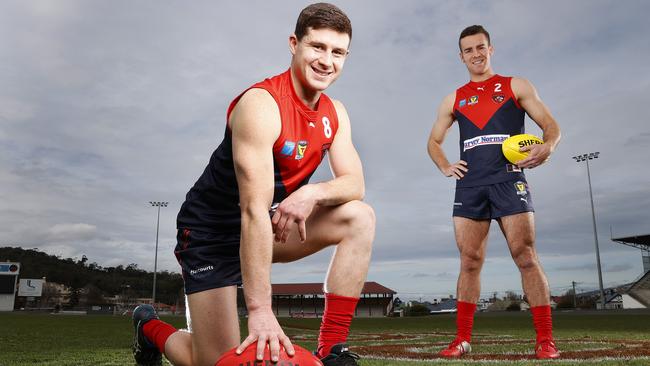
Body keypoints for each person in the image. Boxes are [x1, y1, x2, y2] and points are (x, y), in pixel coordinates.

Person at [131, 3, 374, 366]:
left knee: (360, 217)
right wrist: (260, 310)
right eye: (317, 47)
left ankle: (331, 349)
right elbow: (252, 209)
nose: (327, 61)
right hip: (212, 234)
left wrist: (311, 192)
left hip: (264, 228)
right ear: (295, 44)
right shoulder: (261, 105)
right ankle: (147, 328)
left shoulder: (335, 113)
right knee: (213, 362)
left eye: (337, 52)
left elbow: (354, 183)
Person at [426, 25, 561, 359]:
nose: (476, 54)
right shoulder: (453, 98)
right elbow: (434, 141)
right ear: (461, 56)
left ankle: (545, 340)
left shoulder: (516, 85)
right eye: (469, 50)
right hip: (470, 184)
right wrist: (445, 165)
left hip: (508, 180)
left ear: (491, 49)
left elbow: (551, 125)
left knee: (525, 256)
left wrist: (549, 146)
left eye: (481, 47)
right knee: (469, 261)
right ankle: (461, 340)